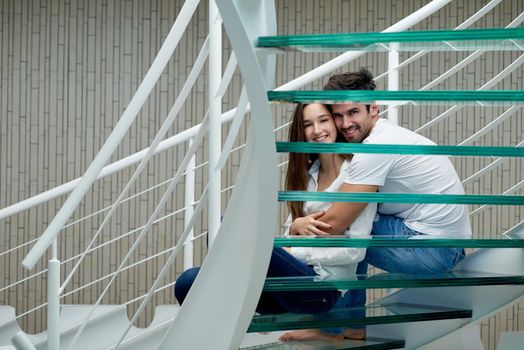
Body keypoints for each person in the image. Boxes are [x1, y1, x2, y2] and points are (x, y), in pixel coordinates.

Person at [289, 68, 471, 340]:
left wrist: (294, 230)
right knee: (356, 222)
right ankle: (349, 325)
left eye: (353, 113)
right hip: (441, 242)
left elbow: (334, 224)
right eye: (337, 115)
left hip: (433, 249)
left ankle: (333, 326)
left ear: (373, 108)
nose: (345, 123)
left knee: (351, 229)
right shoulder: (385, 136)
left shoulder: (375, 148)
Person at [174, 103, 376, 343]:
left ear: (334, 122)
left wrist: (293, 250)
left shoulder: (358, 174)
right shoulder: (307, 175)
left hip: (321, 290)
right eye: (308, 124)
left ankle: (240, 300)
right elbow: (287, 237)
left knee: (227, 228)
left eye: (323, 120)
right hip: (286, 286)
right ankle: (235, 312)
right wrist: (294, 227)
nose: (317, 130)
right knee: (188, 281)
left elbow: (356, 250)